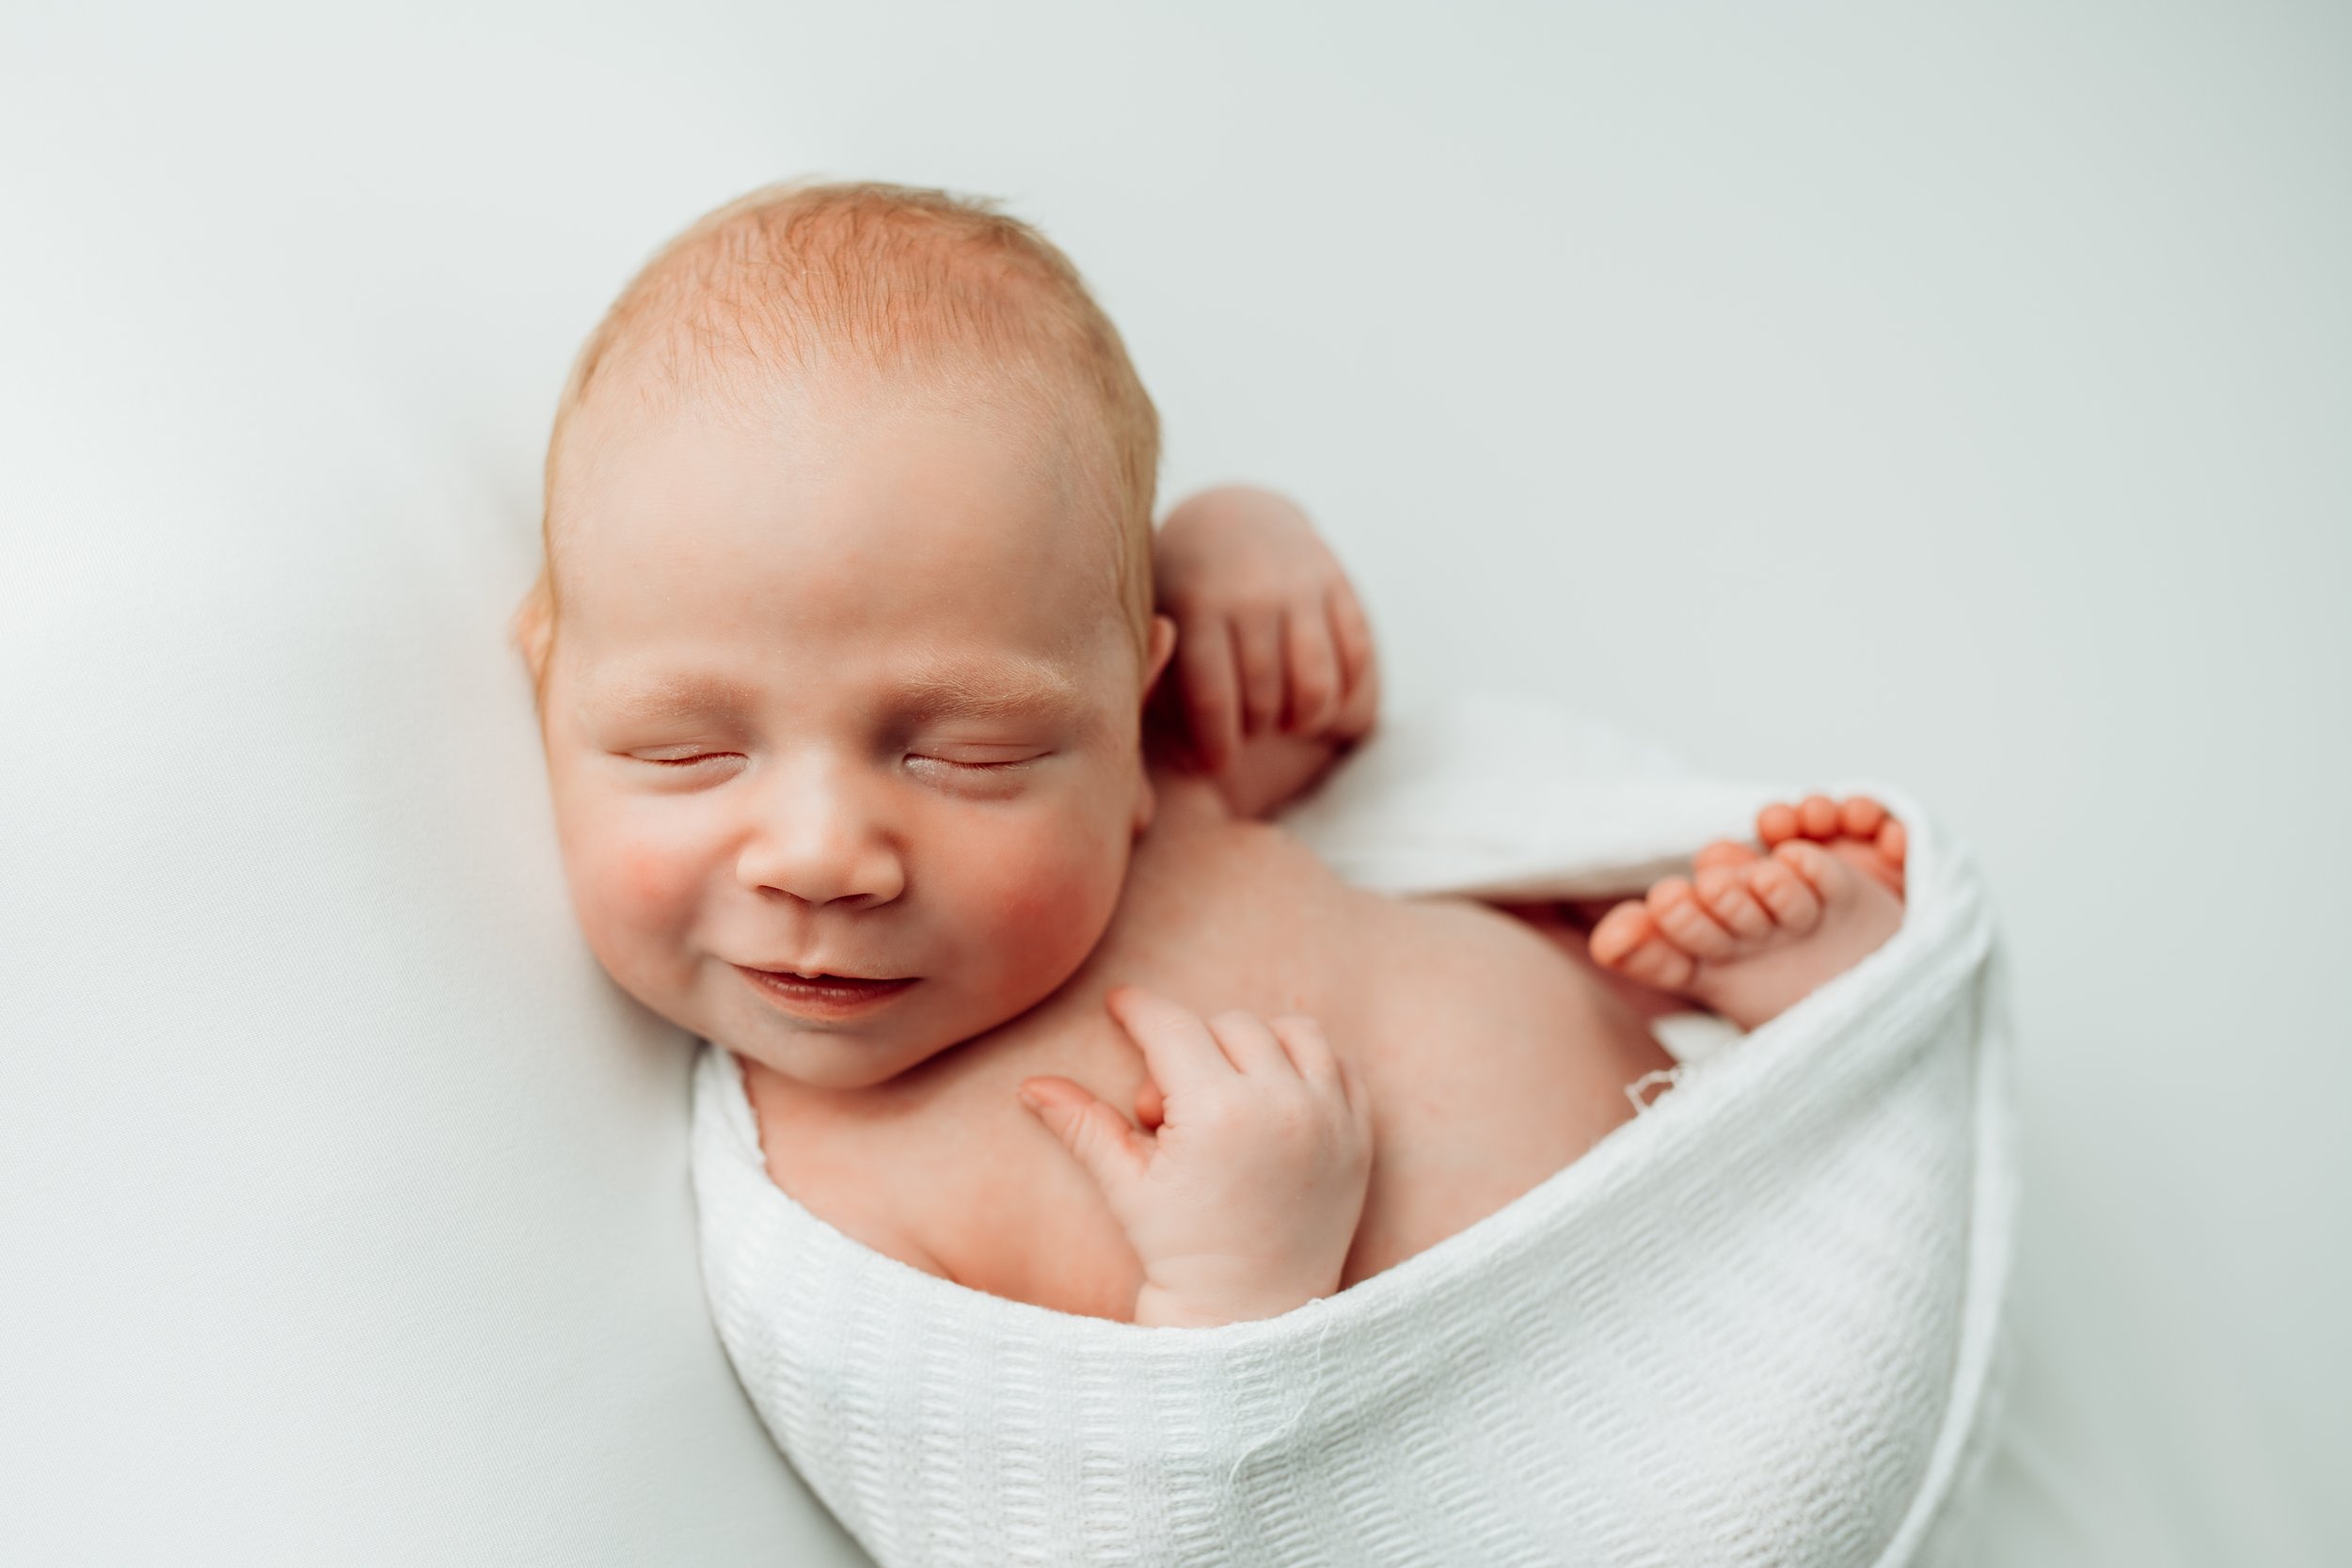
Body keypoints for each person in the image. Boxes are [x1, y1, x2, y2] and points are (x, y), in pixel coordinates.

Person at [515, 181, 1906, 1328]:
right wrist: (1241, 1291)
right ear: (549, 682)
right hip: (1566, 1409)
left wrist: (1243, 539)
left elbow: (1312, 716)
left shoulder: (1153, 789)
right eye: (688, 751)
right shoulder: (833, 1221)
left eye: (969, 754)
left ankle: (1823, 1041)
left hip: (1732, 1139)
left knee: (1816, 976)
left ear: (1127, 719)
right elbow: (1094, 1514)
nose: (822, 853)